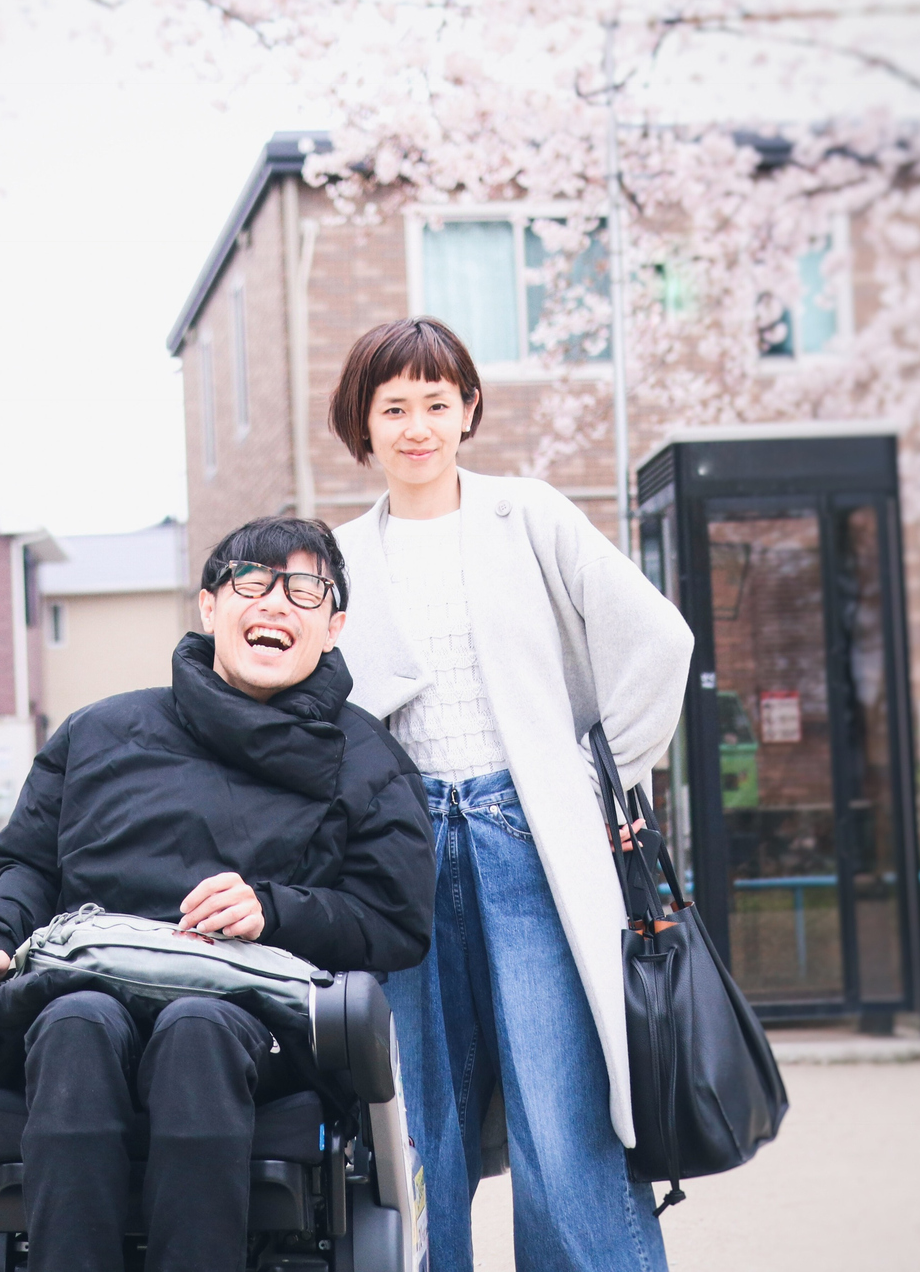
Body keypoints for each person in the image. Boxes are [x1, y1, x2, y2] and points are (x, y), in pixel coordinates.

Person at [0, 515, 434, 1272]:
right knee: (76, 1024)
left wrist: (274, 910)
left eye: (303, 590)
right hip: (80, 995)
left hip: (259, 1025)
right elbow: (27, 867)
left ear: (334, 625)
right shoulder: (99, 732)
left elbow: (395, 920)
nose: (275, 603)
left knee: (196, 1028)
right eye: (250, 582)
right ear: (209, 606)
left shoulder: (366, 759)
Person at [327, 317, 695, 1272]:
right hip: (398, 852)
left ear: (469, 409)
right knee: (412, 1109)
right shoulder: (334, 558)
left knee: (560, 1098)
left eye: (435, 404)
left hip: (527, 836)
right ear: (360, 424)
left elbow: (659, 640)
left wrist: (593, 777)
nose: (416, 426)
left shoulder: (526, 515)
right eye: (393, 407)